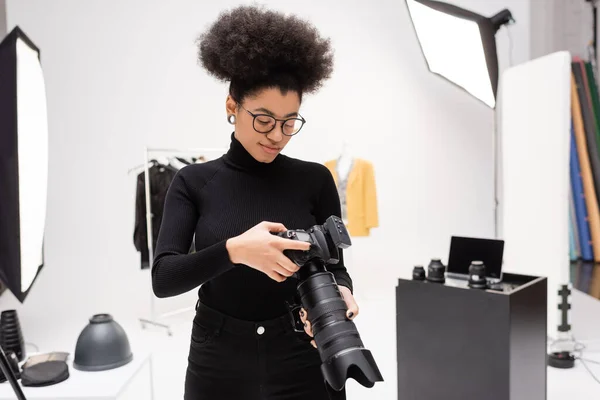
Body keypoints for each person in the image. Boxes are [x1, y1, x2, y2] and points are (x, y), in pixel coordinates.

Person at [151, 5, 359, 400]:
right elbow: (164, 279)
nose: (277, 135)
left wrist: (342, 294)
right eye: (263, 119)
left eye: (289, 121)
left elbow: (337, 269)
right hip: (218, 356)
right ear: (232, 107)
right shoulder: (192, 181)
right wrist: (235, 251)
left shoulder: (315, 179)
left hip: (302, 351)